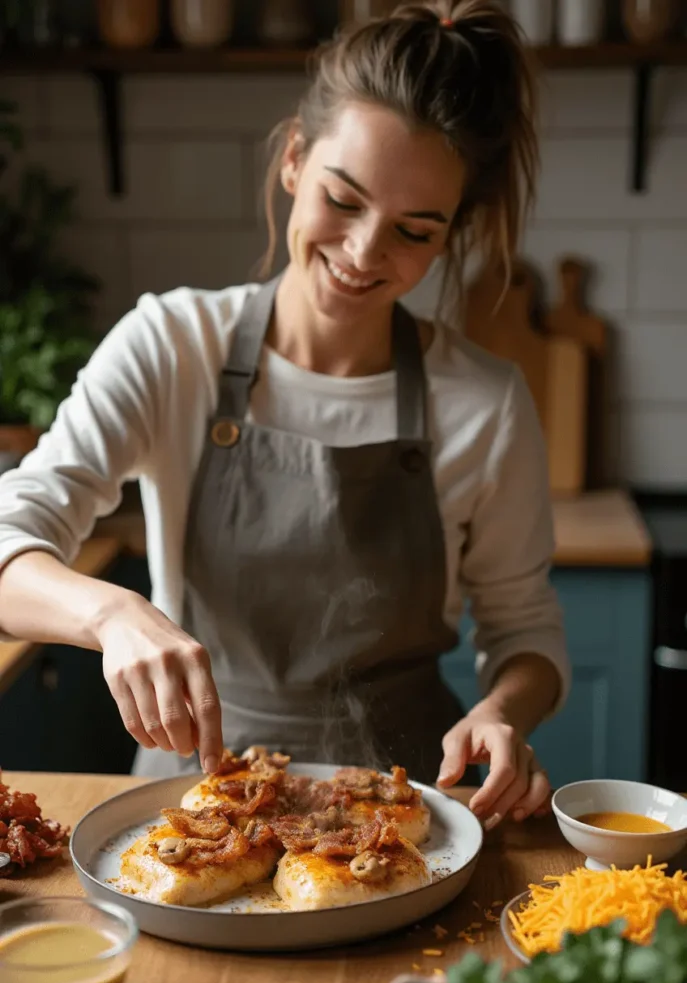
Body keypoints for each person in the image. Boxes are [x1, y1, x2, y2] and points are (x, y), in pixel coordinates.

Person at [0, 0, 569, 831]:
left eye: (413, 231)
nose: (364, 253)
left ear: (450, 236)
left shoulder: (484, 402)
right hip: (192, 797)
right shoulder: (172, 345)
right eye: (344, 199)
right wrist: (112, 614)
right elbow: (9, 540)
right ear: (295, 160)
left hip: (408, 810)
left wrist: (504, 713)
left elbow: (526, 633)